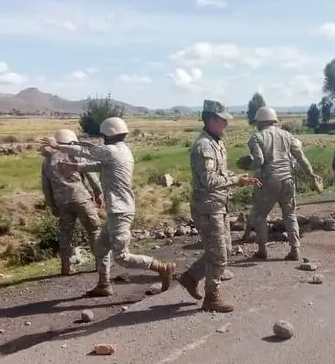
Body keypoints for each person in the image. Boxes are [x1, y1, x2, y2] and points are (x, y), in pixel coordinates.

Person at [43, 119, 177, 298]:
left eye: (103, 135)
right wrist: (77, 166)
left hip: (120, 210)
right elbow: (99, 164)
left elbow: (88, 151)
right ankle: (103, 284)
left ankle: (162, 268)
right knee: (100, 247)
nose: (102, 138)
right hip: (118, 209)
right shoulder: (121, 150)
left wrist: (58, 146)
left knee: (121, 256)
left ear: (107, 134)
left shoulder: (111, 151)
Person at [176, 100, 261, 313]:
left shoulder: (216, 142)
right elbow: (209, 180)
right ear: (211, 120)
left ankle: (190, 277)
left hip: (218, 205)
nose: (226, 124)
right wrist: (236, 181)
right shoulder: (204, 146)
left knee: (224, 250)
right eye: (223, 120)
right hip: (208, 208)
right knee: (219, 255)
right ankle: (211, 297)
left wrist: (240, 178)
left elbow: (220, 174)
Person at [245, 106, 321, 261]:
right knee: (290, 214)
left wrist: (247, 166)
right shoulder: (287, 135)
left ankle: (262, 250)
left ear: (260, 121)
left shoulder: (257, 138)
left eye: (257, 122)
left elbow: (258, 161)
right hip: (288, 180)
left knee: (260, 215)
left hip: (268, 181)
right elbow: (301, 157)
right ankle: (295, 249)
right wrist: (311, 174)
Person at [40, 129, 104, 287]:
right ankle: (100, 264)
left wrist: (52, 205)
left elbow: (46, 187)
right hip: (82, 199)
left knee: (65, 234)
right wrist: (98, 193)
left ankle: (66, 267)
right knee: (94, 230)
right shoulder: (75, 154)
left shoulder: (47, 161)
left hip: (62, 203)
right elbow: (91, 176)